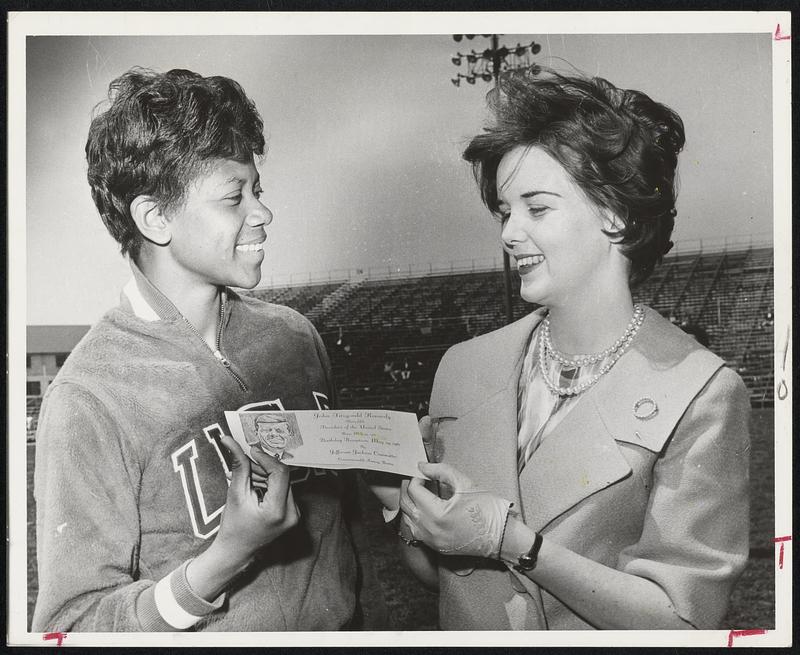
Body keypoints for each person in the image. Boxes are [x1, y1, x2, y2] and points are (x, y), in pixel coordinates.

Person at [396, 67, 750, 630]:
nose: (509, 235)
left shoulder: (700, 392)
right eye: (505, 212)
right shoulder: (463, 367)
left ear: (615, 214)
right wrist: (402, 502)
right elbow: (442, 578)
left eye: (536, 208)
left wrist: (517, 544)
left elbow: (682, 622)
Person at [33, 67, 380, 632]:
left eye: (257, 190)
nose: (262, 213)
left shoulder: (294, 337)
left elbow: (345, 550)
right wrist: (221, 562)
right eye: (233, 196)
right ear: (155, 217)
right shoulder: (89, 398)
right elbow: (69, 627)